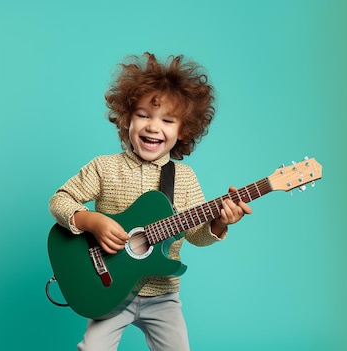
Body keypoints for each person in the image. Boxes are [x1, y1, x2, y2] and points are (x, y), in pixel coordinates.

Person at [49, 52, 252, 351]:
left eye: (167, 120)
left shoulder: (184, 178)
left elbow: (195, 235)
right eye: (143, 115)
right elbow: (60, 199)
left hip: (163, 297)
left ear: (182, 130)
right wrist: (91, 220)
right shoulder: (104, 167)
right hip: (108, 286)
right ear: (126, 118)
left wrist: (220, 221)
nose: (153, 127)